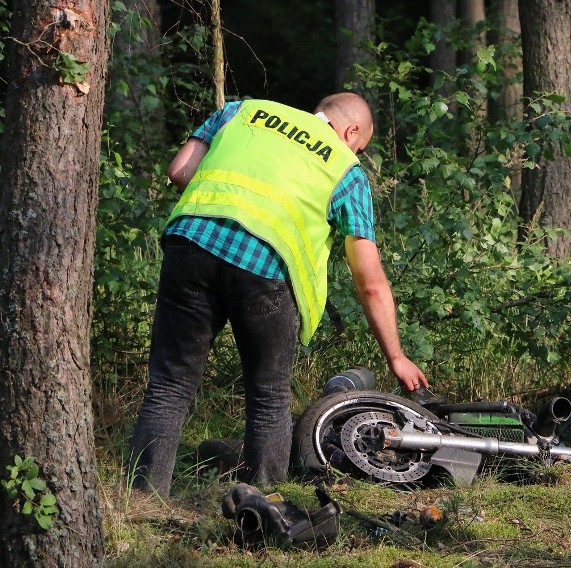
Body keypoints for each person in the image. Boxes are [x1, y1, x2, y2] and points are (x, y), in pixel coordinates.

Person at [128, 92, 428, 497]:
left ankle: (142, 499)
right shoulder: (346, 170)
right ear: (351, 131)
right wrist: (396, 356)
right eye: (360, 145)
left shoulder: (242, 110)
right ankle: (265, 505)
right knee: (268, 395)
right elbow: (369, 279)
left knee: (169, 384)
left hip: (191, 243)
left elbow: (180, 170)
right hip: (264, 268)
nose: (356, 151)